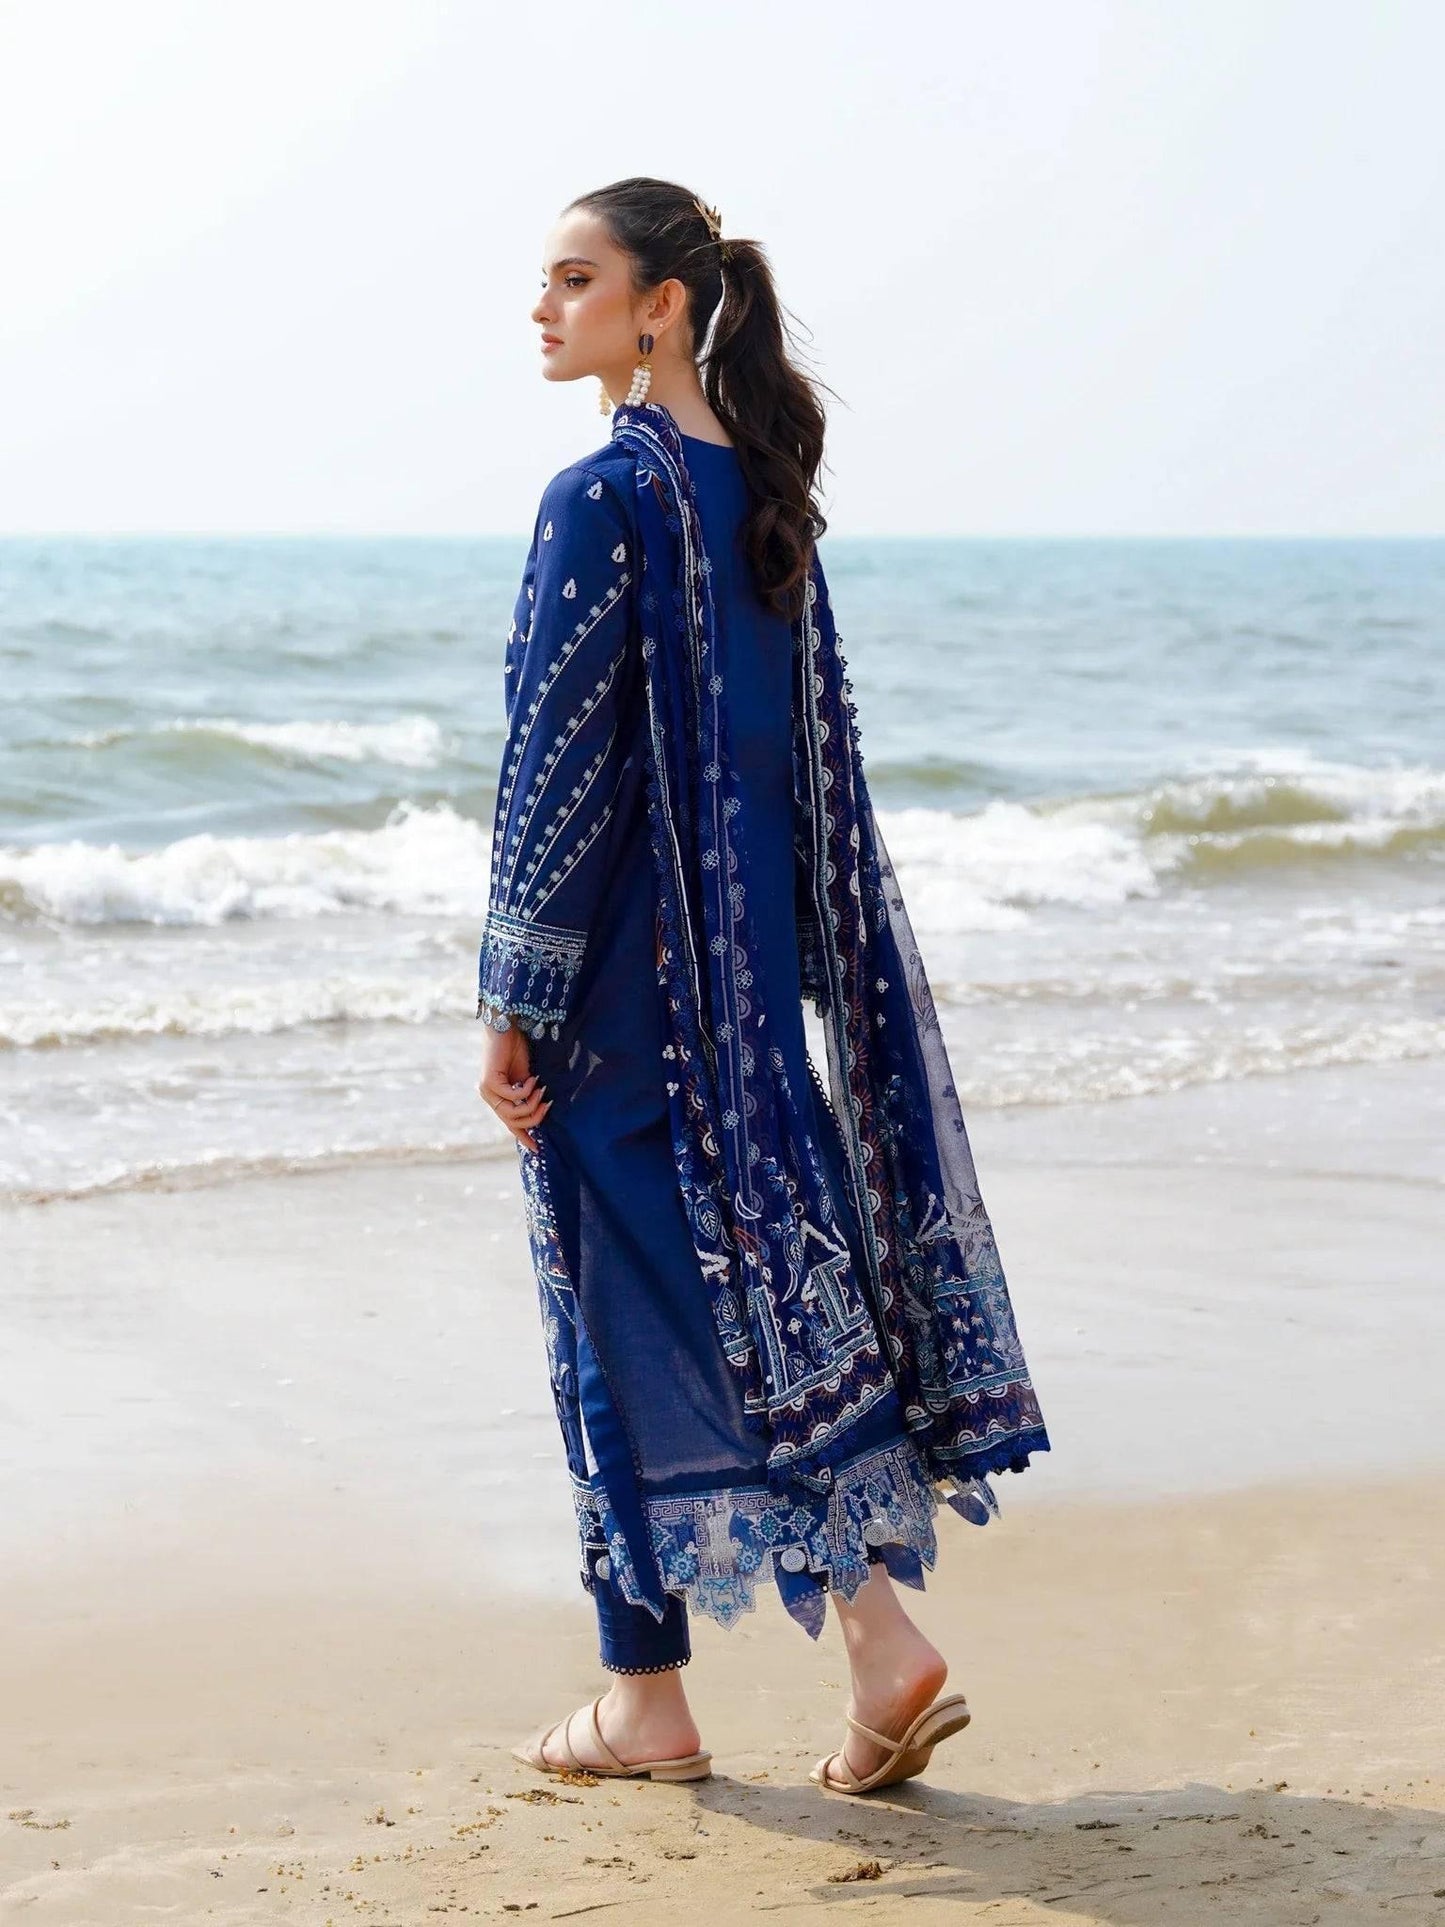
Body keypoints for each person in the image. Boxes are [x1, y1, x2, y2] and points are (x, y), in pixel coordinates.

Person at [475, 177, 1050, 1796]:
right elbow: (777, 763)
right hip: (744, 985)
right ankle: (811, 1653)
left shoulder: (602, 496)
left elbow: (555, 769)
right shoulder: (764, 492)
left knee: (620, 1309)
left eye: (573, 280)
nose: (543, 310)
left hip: (619, 991)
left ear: (657, 306)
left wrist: (510, 994)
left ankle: (679, 1693)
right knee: (758, 1294)